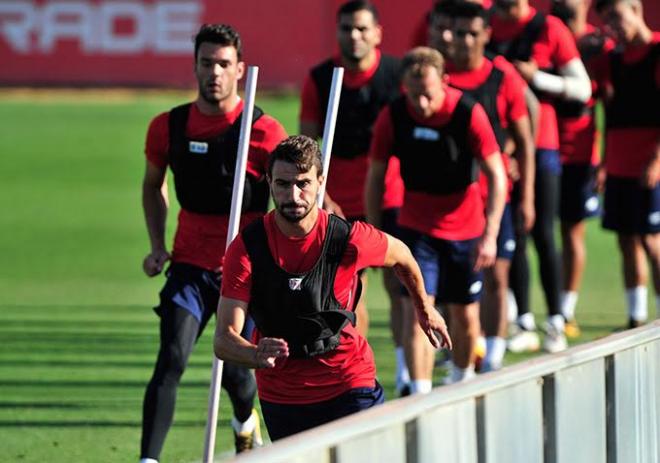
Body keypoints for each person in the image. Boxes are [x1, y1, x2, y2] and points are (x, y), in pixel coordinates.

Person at [214, 135, 451, 440]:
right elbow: (224, 339)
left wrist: (424, 309)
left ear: (320, 182)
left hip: (348, 380)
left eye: (303, 183)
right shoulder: (247, 248)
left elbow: (402, 255)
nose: (294, 195)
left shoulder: (348, 238)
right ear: (269, 183)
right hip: (283, 394)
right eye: (283, 184)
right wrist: (255, 354)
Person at [139, 24, 287, 462]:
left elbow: (294, 196)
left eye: (224, 64)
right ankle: (148, 458)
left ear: (240, 69)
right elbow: (152, 185)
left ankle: (245, 422)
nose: (215, 73)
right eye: (207, 63)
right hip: (188, 265)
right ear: (195, 66)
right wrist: (156, 245)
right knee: (172, 356)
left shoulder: (262, 130)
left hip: (244, 270)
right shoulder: (169, 126)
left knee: (240, 376)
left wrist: (266, 254)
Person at [366, 47, 506, 390]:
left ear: (444, 81)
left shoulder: (467, 113)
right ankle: (420, 396)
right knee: (419, 310)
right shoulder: (395, 115)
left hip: (466, 229)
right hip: (416, 229)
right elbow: (375, 176)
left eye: (427, 94)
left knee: (464, 314)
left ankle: (462, 382)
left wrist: (490, 235)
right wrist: (375, 234)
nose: (421, 104)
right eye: (413, 94)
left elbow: (497, 176)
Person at [299, 0, 409, 394]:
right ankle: (357, 371)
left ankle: (407, 373)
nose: (354, 36)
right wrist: (323, 197)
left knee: (402, 287)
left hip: (391, 195)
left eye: (362, 29)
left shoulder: (398, 75)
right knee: (348, 288)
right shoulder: (321, 78)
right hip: (338, 203)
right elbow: (306, 147)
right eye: (347, 28)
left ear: (378, 32)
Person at [488, 0, 592, 353]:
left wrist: (537, 78)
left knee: (543, 232)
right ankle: (523, 320)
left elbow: (583, 89)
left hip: (543, 145)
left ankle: (557, 320)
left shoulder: (549, 28)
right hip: (499, 149)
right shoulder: (484, 25)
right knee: (512, 232)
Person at [444, 1, 535, 372]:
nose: (463, 41)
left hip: (496, 198)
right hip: (450, 203)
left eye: (471, 33)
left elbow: (524, 139)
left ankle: (494, 357)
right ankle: (464, 355)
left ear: (485, 35)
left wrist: (527, 196)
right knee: (456, 287)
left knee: (497, 275)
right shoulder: (440, 76)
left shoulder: (502, 76)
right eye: (457, 33)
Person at [594, 0, 660, 328]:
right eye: (608, 21)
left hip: (649, 163)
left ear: (636, 9)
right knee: (626, 239)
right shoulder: (613, 59)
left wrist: (657, 160)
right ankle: (637, 317)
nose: (614, 27)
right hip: (619, 162)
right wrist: (604, 162)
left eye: (618, 17)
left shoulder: (657, 50)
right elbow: (608, 110)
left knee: (652, 239)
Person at [551, 0, 614, 338]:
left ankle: (566, 311)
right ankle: (528, 315)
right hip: (543, 149)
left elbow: (610, 104)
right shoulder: (543, 35)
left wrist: (604, 158)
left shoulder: (597, 44)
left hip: (580, 152)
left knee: (571, 232)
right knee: (533, 231)